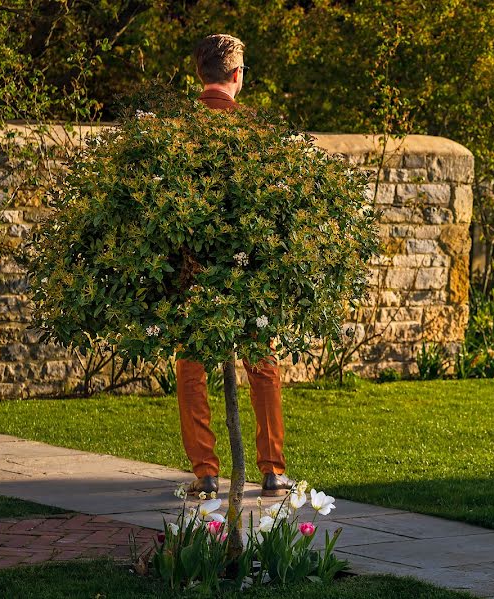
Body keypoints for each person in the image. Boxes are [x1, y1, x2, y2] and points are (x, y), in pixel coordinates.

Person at [177, 33, 294, 497]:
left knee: (191, 367)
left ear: (200, 74)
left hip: (189, 268)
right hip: (245, 267)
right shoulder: (253, 130)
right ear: (237, 75)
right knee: (262, 362)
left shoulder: (176, 130)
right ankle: (271, 468)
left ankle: (205, 471)